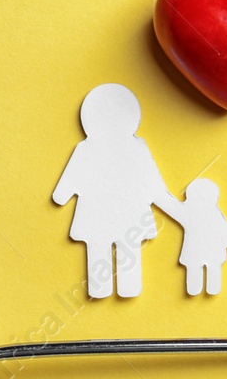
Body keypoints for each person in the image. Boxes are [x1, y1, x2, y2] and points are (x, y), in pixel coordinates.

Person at [52, 83, 179, 298]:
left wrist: (62, 196)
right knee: (125, 248)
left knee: (101, 247)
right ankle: (123, 287)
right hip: (129, 213)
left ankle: (103, 288)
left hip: (96, 214)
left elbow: (64, 189)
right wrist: (172, 206)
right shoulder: (133, 147)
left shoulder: (88, 148)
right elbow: (153, 185)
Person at [172, 177, 227, 295]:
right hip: (212, 253)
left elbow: (172, 208)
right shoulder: (213, 213)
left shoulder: (189, 211)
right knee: (210, 271)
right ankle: (205, 289)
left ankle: (198, 289)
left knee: (199, 272)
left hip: (195, 252)